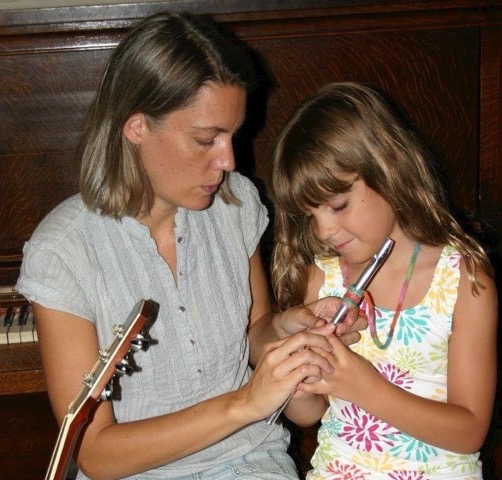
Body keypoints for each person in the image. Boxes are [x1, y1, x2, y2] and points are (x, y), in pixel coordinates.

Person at [17, 12, 365, 480]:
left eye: (232, 135)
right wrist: (246, 402)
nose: (228, 160)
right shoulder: (64, 250)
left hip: (248, 459)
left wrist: (286, 331)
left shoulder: (236, 203)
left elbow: (254, 329)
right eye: (207, 138)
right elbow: (95, 453)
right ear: (136, 126)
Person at [269, 81, 498, 479]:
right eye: (310, 215)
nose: (323, 231)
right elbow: (310, 415)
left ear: (388, 167)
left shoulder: (462, 281)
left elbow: (470, 431)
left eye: (338, 205)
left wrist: (364, 387)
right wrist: (298, 383)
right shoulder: (323, 278)